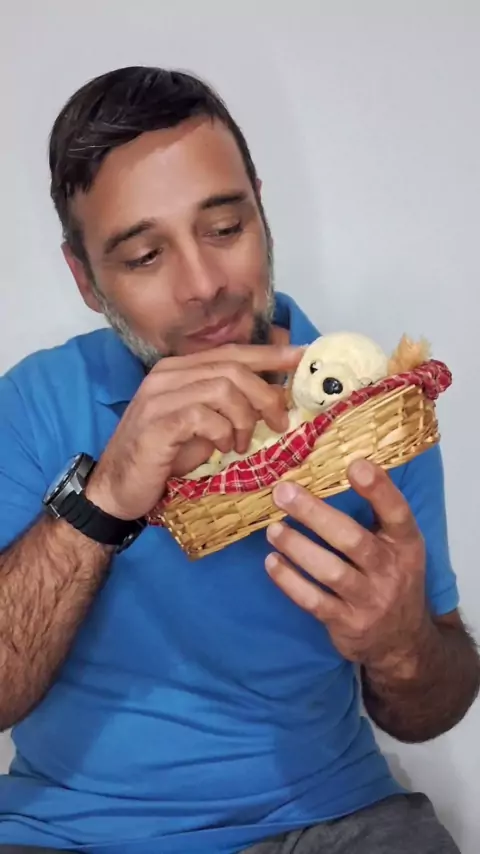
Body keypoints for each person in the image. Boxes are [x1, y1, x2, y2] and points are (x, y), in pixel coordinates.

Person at [0, 65, 478, 854]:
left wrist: (401, 645)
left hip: (334, 820)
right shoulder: (36, 402)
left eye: (224, 228)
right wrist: (104, 495)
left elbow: (436, 705)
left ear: (261, 210)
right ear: (85, 278)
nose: (204, 285)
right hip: (74, 832)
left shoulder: (370, 405)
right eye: (144, 255)